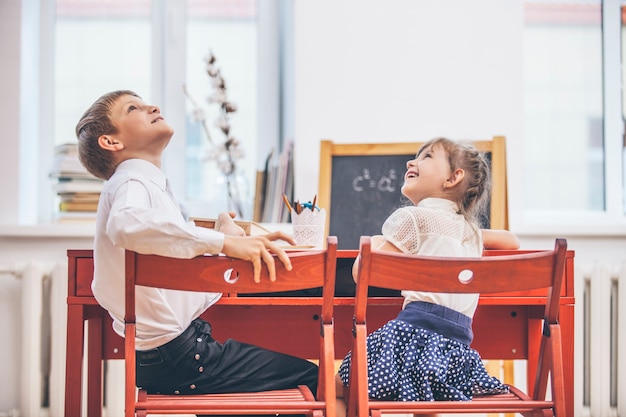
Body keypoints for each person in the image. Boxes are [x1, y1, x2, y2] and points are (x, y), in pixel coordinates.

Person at [75, 90, 318, 409]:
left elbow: (172, 279)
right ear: (111, 141)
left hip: (167, 355)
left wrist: (221, 237)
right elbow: (126, 226)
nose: (152, 106)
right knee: (311, 379)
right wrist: (226, 243)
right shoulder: (132, 182)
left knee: (246, 395)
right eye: (133, 108)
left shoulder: (147, 187)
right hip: (180, 356)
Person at [335, 137, 516, 417]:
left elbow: (363, 273)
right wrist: (474, 233)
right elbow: (511, 241)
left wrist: (376, 240)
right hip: (455, 352)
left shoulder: (411, 218)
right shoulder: (470, 232)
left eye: (427, 157)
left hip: (411, 338)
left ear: (454, 177)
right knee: (426, 400)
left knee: (337, 387)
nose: (411, 162)